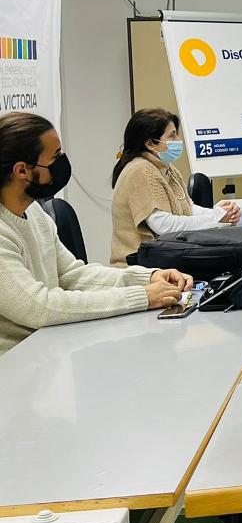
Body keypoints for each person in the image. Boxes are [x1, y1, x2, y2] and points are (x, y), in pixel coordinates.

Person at [0, 112, 192, 356]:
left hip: (46, 351)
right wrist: (142, 297)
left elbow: (73, 274)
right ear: (22, 170)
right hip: (13, 367)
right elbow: (39, 307)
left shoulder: (34, 213)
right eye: (56, 157)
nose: (62, 163)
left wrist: (147, 279)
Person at [110, 108, 240, 267]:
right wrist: (216, 218)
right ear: (150, 144)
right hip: (137, 268)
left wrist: (219, 213)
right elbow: (164, 226)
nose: (178, 140)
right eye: (172, 135)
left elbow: (187, 207)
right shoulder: (140, 170)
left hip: (162, 260)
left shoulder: (165, 168)